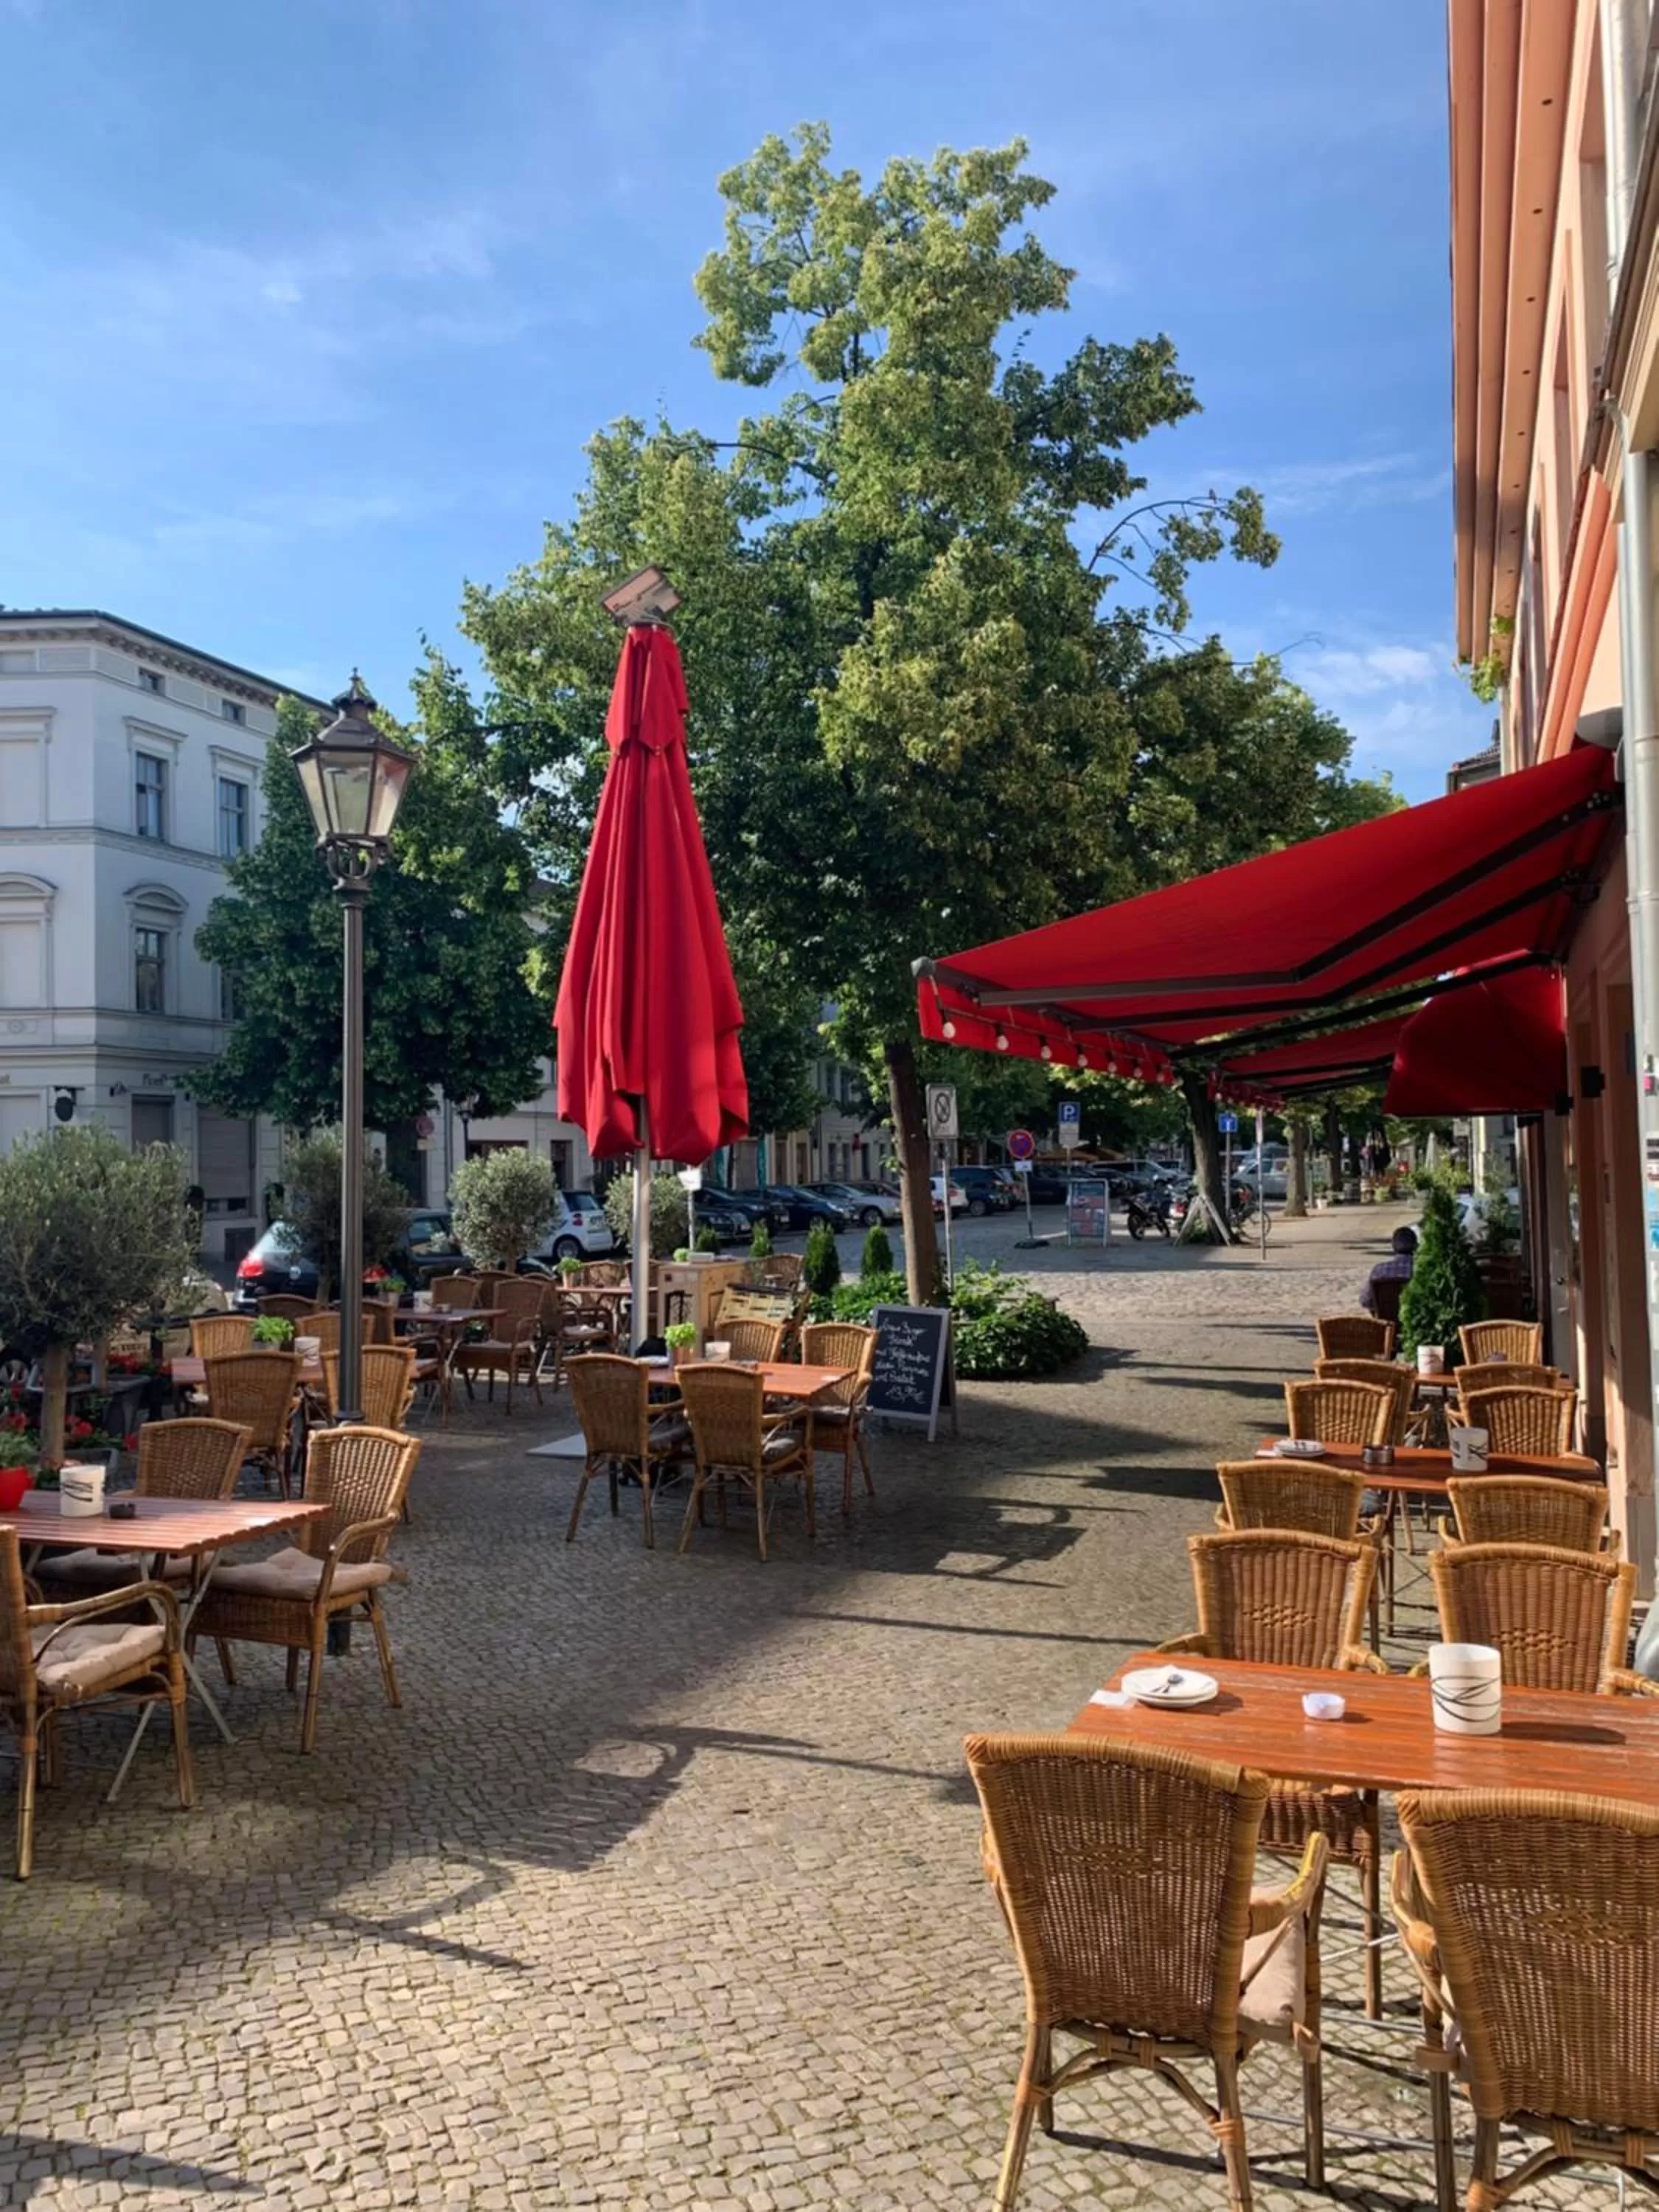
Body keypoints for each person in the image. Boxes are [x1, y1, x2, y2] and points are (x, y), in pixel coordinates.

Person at [1360, 1225, 1417, 1314]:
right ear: (1416, 1246)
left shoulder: (1379, 1270)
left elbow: (1365, 1300)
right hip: (1416, 1322)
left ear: (1393, 1246)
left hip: (1387, 1322)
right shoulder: (1422, 1270)